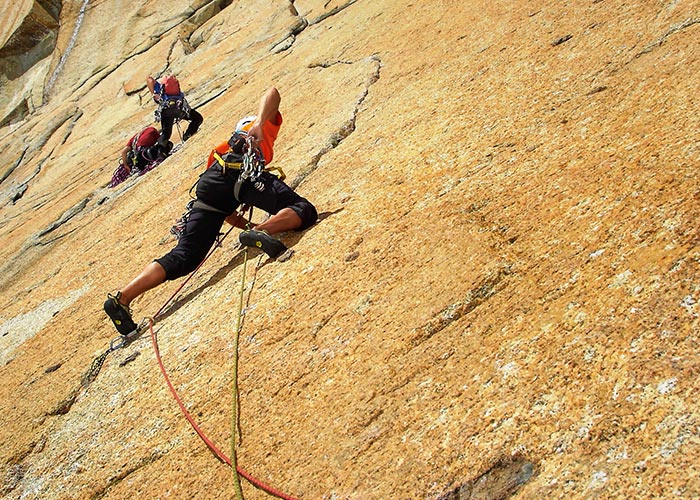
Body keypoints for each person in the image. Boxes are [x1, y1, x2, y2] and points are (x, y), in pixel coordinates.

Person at [104, 87, 317, 336]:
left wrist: (244, 226)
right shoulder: (260, 125)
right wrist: (259, 121)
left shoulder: (219, 152)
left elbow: (224, 210)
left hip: (213, 183)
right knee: (304, 209)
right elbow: (272, 92)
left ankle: (122, 299)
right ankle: (264, 230)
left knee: (186, 255)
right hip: (245, 172)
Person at [146, 74, 204, 146]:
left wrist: (153, 93)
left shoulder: (159, 86)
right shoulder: (172, 86)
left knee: (166, 134)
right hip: (180, 109)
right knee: (197, 118)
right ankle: (188, 135)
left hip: (167, 111)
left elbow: (149, 79)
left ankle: (158, 151)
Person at [108, 126, 172, 188]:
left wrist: (125, 166)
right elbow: (161, 142)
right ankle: (159, 157)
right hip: (145, 154)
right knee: (168, 144)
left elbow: (124, 152)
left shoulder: (135, 137)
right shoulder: (153, 130)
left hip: (138, 158)